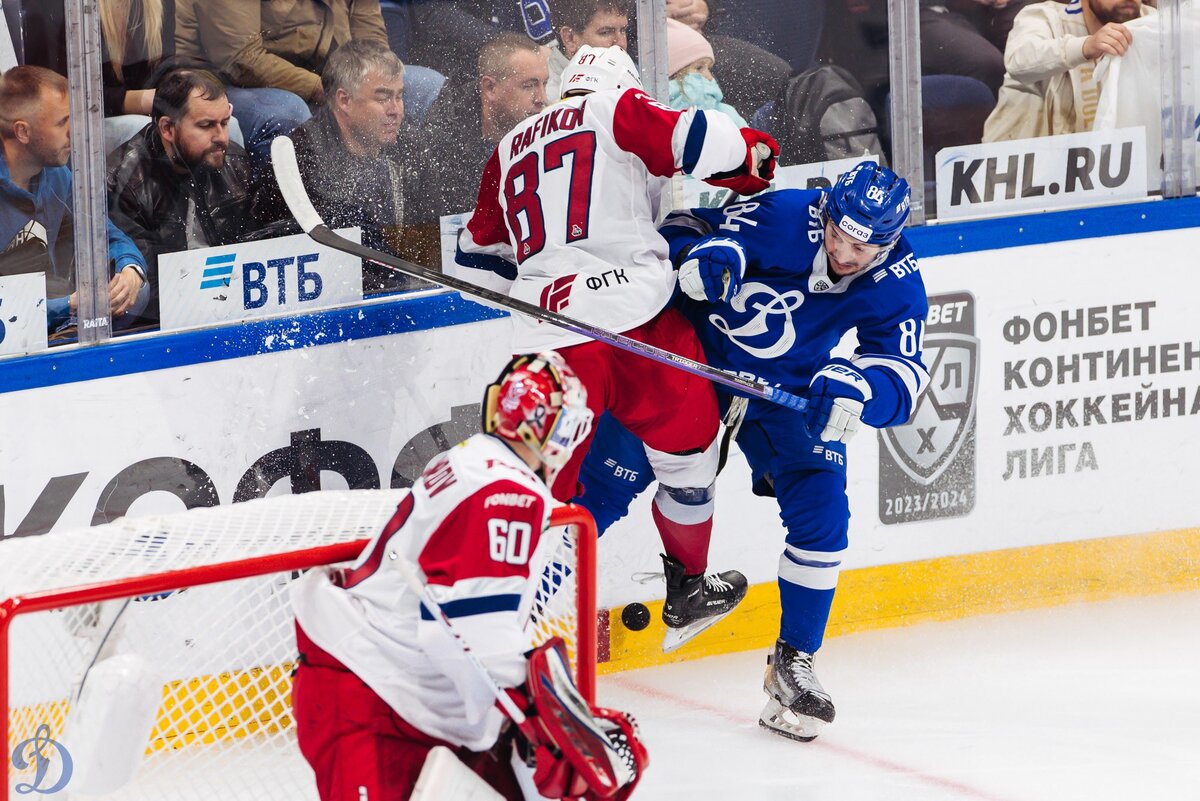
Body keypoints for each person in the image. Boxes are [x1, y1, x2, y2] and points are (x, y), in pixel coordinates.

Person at [575, 161, 930, 741]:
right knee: (606, 486)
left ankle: (794, 665)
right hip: (692, 363)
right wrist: (708, 256)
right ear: (826, 214)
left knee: (823, 513)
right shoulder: (787, 214)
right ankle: (511, 602)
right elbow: (683, 229)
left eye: (861, 251)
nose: (844, 255)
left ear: (888, 245)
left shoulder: (898, 280)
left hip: (785, 391)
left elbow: (906, 375)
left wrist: (861, 386)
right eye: (839, 237)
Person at [453, 45, 780, 651]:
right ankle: (688, 586)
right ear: (625, 86)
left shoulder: (509, 147)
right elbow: (699, 138)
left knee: (539, 497)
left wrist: (544, 280)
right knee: (688, 455)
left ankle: (485, 634)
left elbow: (476, 261)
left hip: (550, 335)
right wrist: (755, 154)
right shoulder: (618, 108)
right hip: (639, 320)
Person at [290, 351, 647, 801]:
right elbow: (466, 630)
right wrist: (554, 715)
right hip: (373, 694)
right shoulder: (508, 492)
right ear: (555, 431)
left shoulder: (474, 461)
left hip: (401, 692)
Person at [107, 68, 273, 323]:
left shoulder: (234, 161)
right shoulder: (124, 183)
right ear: (167, 129)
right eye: (206, 125)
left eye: (225, 122)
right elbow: (150, 293)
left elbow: (260, 250)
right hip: (172, 323)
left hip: (236, 308)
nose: (221, 138)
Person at [256, 40, 422, 293]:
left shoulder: (413, 147)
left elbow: (431, 241)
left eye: (399, 96)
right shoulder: (300, 159)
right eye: (383, 97)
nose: (396, 110)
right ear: (344, 100)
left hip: (398, 290)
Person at [0, 65, 149, 334]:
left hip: (54, 313)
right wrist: (67, 305)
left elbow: (105, 234)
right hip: (12, 338)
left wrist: (130, 269)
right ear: (23, 132)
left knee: (135, 291)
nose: (74, 133)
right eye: (61, 123)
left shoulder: (58, 174)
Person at [174, 0, 390, 168]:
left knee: (420, 87)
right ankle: (287, 218)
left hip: (329, 73)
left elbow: (371, 42)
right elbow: (241, 58)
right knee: (288, 112)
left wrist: (378, 83)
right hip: (227, 84)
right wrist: (326, 89)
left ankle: (389, 209)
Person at [408, 34, 550, 228]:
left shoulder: (548, 134)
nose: (542, 98)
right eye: (528, 86)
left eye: (545, 84)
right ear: (490, 87)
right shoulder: (440, 148)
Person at [983, 0, 1154, 142]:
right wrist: (1085, 46)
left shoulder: (1155, 24)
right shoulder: (1042, 16)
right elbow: (1017, 60)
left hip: (1115, 170)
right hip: (1029, 175)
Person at [666, 17, 747, 127]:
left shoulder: (726, 114)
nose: (709, 77)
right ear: (672, 75)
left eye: (709, 69)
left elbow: (749, 141)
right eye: (699, 68)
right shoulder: (656, 117)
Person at [546, 0, 631, 102]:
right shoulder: (548, 98)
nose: (621, 43)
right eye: (606, 32)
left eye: (623, 30)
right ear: (570, 38)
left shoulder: (627, 76)